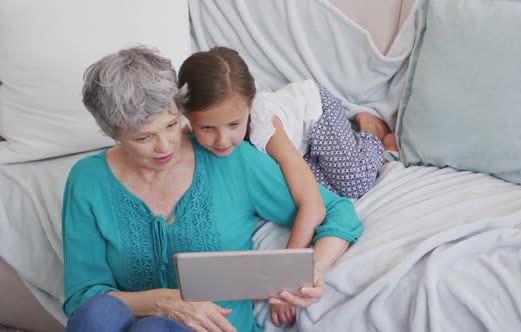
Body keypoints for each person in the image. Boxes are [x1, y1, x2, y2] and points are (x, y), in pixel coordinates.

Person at [62, 46, 363, 332]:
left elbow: (338, 212)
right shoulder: (87, 180)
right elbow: (83, 296)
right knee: (97, 314)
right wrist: (164, 302)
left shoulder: (234, 163)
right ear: (112, 133)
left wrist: (308, 273)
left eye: (170, 125)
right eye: (143, 138)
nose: (164, 146)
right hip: (134, 321)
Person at [177, 46, 396, 327]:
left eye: (234, 124)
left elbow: (313, 206)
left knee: (354, 180)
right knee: (308, 179)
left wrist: (282, 279)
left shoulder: (265, 128)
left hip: (314, 116)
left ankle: (372, 134)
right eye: (207, 128)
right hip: (290, 153)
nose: (222, 140)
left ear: (251, 105)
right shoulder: (188, 137)